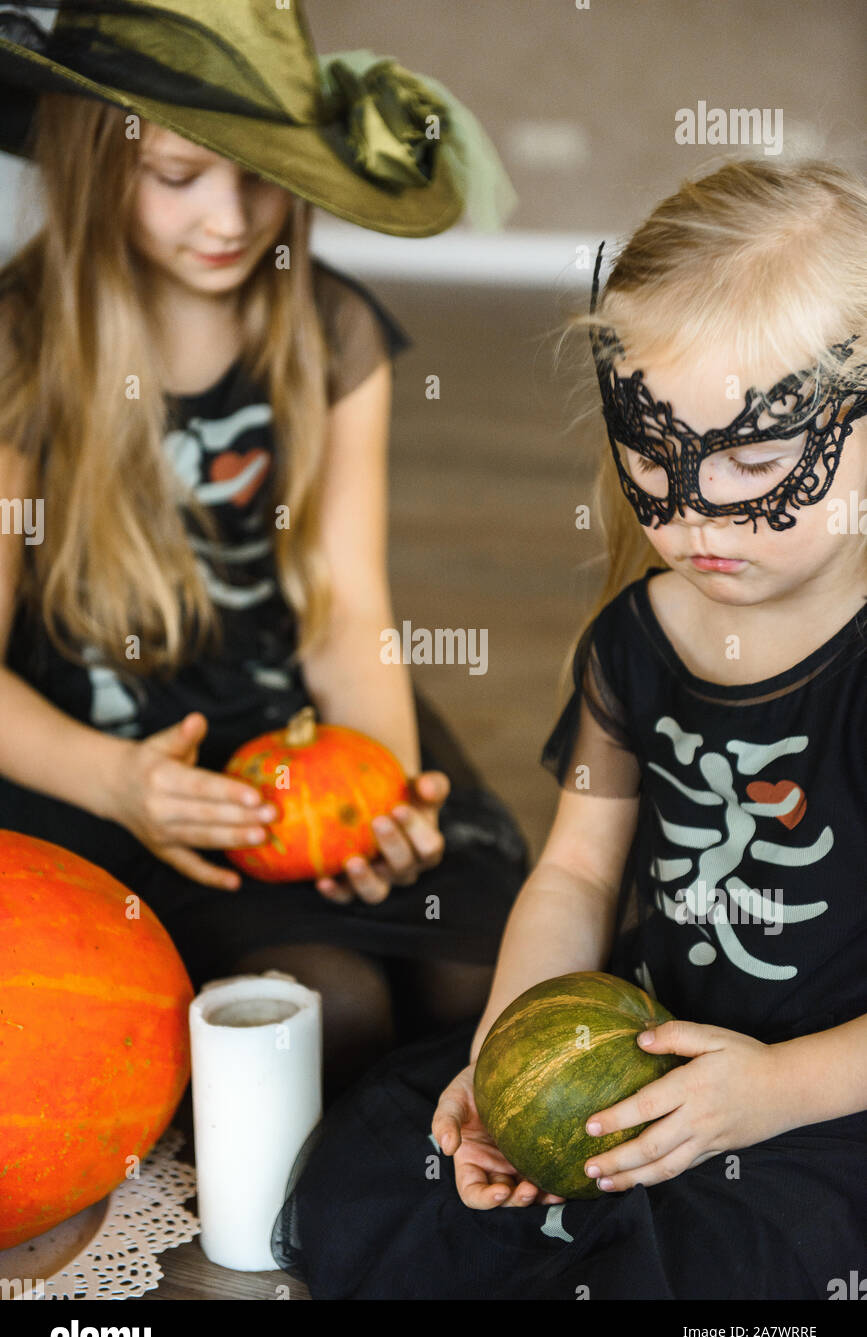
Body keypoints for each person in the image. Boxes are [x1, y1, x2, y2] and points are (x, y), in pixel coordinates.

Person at [277, 159, 867, 1298]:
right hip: (645, 1046)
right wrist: (512, 1070)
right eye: (653, 455)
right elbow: (575, 878)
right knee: (408, 1173)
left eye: (752, 460)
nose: (692, 514)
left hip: (832, 1089)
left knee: (738, 1269)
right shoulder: (638, 640)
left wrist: (775, 1090)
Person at [0, 0, 527, 1100]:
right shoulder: (18, 350)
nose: (231, 216)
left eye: (260, 173)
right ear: (97, 164)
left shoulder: (332, 331)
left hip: (285, 715)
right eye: (181, 175)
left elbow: (342, 607)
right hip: (101, 749)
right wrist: (120, 782)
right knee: (328, 1005)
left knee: (473, 976)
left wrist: (379, 793)